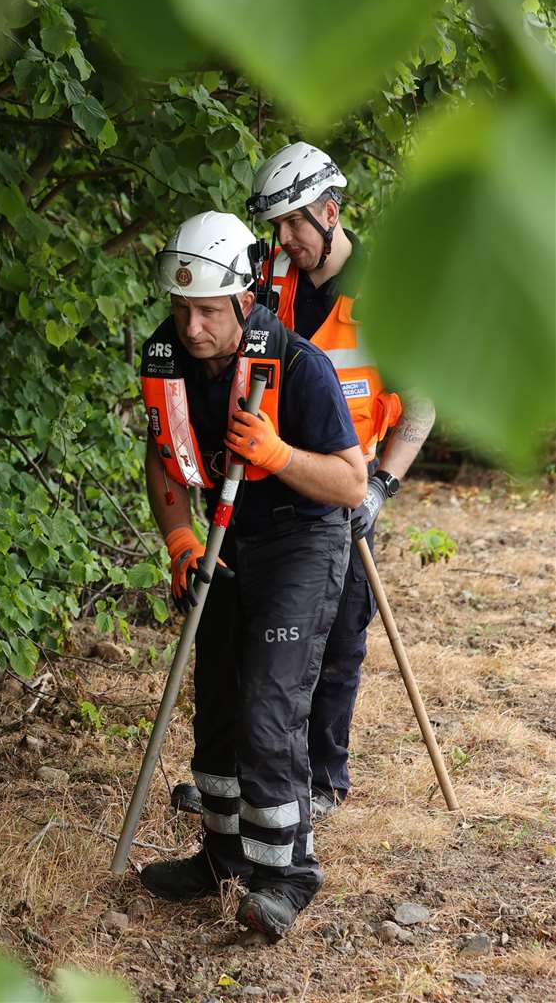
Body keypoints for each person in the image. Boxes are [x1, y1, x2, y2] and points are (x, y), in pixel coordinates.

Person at [170, 144, 438, 821]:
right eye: (273, 226)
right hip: (258, 481)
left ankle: (320, 781)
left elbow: (421, 403)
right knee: (245, 645)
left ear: (328, 211)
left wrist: (381, 486)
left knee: (339, 633)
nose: (281, 239)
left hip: (341, 482)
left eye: (291, 223)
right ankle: (235, 782)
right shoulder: (263, 275)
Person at [137, 211, 368, 941]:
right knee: (217, 705)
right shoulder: (170, 359)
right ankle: (222, 853)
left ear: (243, 302)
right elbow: (163, 461)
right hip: (222, 539)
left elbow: (349, 484)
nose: (192, 326)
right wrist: (177, 536)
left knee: (270, 703)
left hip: (302, 540)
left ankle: (287, 875)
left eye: (207, 310)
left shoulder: (299, 367)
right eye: (180, 309)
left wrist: (274, 454)